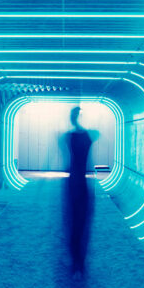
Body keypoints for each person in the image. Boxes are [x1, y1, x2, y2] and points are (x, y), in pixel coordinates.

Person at [63, 107, 98, 278]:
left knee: (74, 223)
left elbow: (69, 162)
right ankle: (79, 263)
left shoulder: (70, 137)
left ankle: (77, 263)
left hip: (74, 182)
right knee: (81, 224)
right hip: (82, 183)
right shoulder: (87, 136)